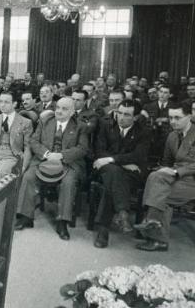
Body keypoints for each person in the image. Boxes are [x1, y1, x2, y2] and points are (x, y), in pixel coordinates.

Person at [15, 97, 90, 241]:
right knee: (28, 176)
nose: (59, 111)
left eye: (64, 109)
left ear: (72, 111)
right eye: (58, 108)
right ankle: (25, 217)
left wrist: (60, 155)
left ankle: (62, 221)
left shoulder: (80, 126)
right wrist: (46, 154)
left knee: (68, 182)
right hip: (44, 159)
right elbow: (34, 141)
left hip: (68, 163)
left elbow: (82, 149)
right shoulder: (45, 122)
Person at [134, 101, 195, 251]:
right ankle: (154, 226)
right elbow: (167, 161)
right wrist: (165, 170)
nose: (173, 121)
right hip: (174, 179)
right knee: (155, 177)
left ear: (189, 116)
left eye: (177, 117)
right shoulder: (172, 136)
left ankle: (153, 228)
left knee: (159, 194)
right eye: (170, 118)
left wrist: (175, 172)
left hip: (191, 180)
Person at [92, 100, 152, 248]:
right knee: (115, 173)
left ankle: (103, 230)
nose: (121, 117)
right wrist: (120, 162)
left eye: (127, 114)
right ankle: (122, 212)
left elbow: (139, 155)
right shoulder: (106, 126)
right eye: (119, 113)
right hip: (107, 168)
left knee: (111, 185)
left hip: (129, 173)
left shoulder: (144, 132)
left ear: (136, 117)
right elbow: (99, 150)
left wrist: (112, 159)